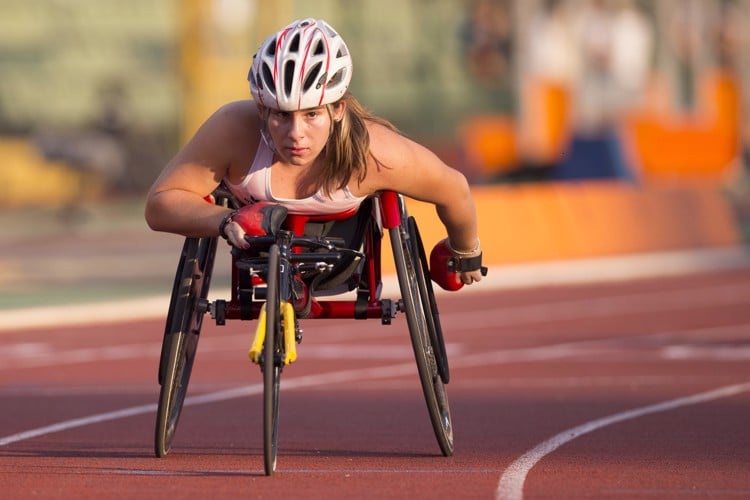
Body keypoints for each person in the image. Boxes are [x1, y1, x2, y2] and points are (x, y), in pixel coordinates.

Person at [145, 18, 484, 287]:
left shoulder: (375, 154)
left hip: (343, 258)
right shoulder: (233, 128)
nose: (296, 134)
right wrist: (224, 220)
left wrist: (464, 251)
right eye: (281, 115)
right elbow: (160, 204)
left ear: (337, 109)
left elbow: (454, 189)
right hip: (255, 255)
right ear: (262, 109)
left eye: (311, 114)